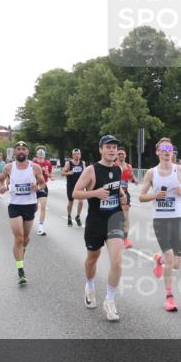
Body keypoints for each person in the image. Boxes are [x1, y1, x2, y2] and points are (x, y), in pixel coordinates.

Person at [71, 134, 127, 322]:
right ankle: (90, 285)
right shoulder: (91, 170)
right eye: (108, 147)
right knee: (92, 259)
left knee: (117, 261)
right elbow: (75, 193)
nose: (112, 150)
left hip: (114, 219)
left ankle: (109, 301)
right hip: (96, 221)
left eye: (114, 147)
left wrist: (122, 195)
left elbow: (116, 187)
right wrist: (95, 193)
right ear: (101, 149)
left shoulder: (118, 169)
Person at [139, 138, 181, 312]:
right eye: (163, 148)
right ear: (157, 152)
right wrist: (156, 195)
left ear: (172, 152)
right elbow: (141, 197)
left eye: (169, 148)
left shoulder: (180, 170)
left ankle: (159, 260)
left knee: (177, 264)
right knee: (171, 261)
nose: (166, 151)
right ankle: (169, 298)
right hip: (160, 221)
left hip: (175, 220)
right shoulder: (151, 173)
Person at [0, 141, 45, 285]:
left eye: (23, 149)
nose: (21, 151)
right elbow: (0, 181)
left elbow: (43, 183)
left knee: (25, 239)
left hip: (30, 205)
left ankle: (22, 250)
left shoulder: (35, 167)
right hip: (15, 206)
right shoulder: (9, 167)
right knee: (18, 238)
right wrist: (1, 187)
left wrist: (38, 187)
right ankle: (20, 270)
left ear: (27, 152)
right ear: (15, 152)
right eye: (18, 149)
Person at [116, 148, 135, 248]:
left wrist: (134, 180)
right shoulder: (113, 166)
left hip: (125, 193)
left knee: (125, 216)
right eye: (119, 154)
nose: (121, 155)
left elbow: (131, 177)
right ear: (116, 156)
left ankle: (126, 239)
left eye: (123, 154)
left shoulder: (129, 166)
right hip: (113, 193)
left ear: (125, 155)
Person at [63, 148, 86, 227]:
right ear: (72, 155)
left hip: (80, 185)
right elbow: (63, 173)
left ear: (80, 155)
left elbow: (86, 173)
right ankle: (69, 216)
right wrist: (69, 172)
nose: (77, 155)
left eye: (78, 154)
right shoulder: (68, 163)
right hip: (71, 185)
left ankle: (78, 216)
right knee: (71, 202)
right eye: (75, 154)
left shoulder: (82, 163)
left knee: (81, 202)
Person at [33, 147, 54, 235]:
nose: (41, 154)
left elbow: (51, 176)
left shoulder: (48, 164)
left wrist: (48, 174)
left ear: (44, 155)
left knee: (43, 206)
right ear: (37, 154)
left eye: (42, 153)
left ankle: (40, 227)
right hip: (33, 187)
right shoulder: (33, 163)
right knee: (34, 208)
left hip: (43, 186)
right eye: (39, 153)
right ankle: (29, 221)